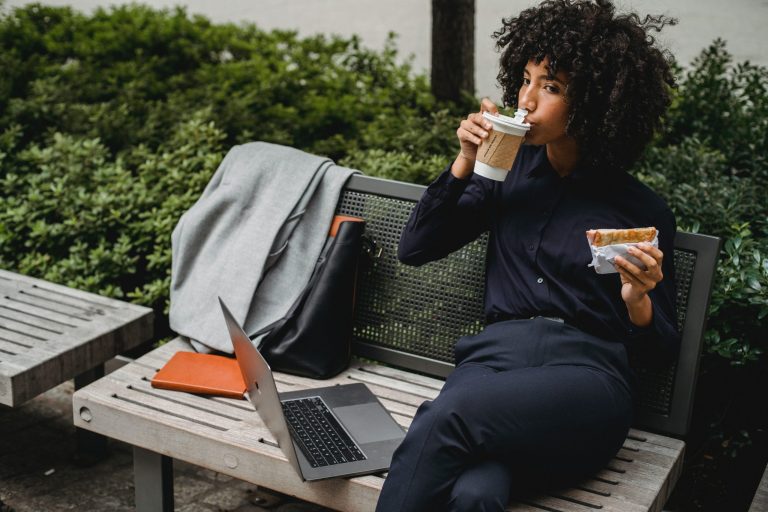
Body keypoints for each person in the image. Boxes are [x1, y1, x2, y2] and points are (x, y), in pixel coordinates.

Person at [375, 1, 680, 511]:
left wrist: (637, 300)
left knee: (446, 417)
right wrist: (465, 161)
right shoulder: (504, 175)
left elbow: (660, 353)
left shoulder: (639, 209)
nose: (527, 99)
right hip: (492, 368)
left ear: (598, 103)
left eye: (552, 86)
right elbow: (416, 247)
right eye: (525, 78)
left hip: (584, 383)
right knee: (476, 495)